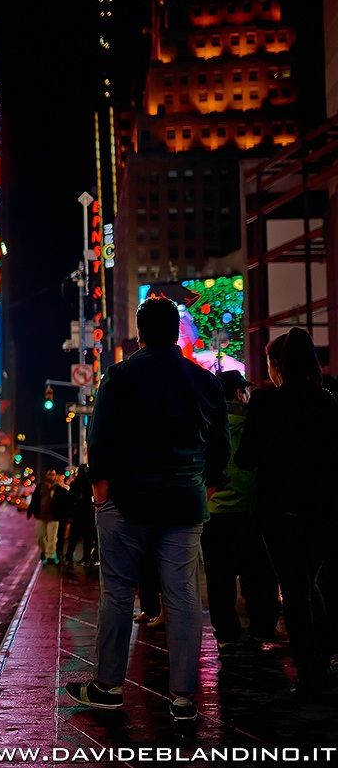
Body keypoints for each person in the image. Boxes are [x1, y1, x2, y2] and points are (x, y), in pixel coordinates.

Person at [65, 296, 229, 722]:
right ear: (177, 331)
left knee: (118, 593)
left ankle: (108, 686)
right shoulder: (205, 381)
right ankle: (182, 696)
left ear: (140, 333)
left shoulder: (120, 376)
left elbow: (99, 443)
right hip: (184, 502)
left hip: (128, 501)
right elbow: (220, 452)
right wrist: (202, 490)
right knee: (184, 595)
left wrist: (102, 495)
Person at [236, 328, 338, 696]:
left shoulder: (265, 403)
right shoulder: (326, 401)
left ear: (277, 365)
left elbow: (245, 458)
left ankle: (311, 671)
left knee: (294, 588)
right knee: (308, 583)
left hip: (278, 510)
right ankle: (326, 656)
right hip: (321, 510)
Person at [200, 369, 281, 651]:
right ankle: (261, 629)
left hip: (214, 514)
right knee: (258, 576)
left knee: (219, 581)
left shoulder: (206, 426)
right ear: (238, 393)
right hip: (249, 511)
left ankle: (227, 635)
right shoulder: (252, 424)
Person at [64, 465, 98, 566]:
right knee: (87, 538)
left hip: (77, 514)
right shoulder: (90, 483)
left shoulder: (75, 484)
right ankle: (86, 557)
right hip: (88, 513)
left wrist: (69, 514)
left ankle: (69, 557)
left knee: (74, 537)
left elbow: (70, 499)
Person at [28, 469, 61, 565]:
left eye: (53, 475)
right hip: (40, 516)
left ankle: (50, 556)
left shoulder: (58, 488)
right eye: (49, 474)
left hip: (53, 517)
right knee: (40, 537)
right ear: (46, 476)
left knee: (52, 538)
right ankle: (46, 551)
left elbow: (64, 501)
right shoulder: (40, 487)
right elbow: (34, 499)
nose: (51, 476)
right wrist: (30, 511)